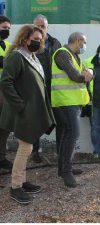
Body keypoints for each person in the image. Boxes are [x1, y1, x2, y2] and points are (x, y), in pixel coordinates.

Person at [0, 25, 56, 204]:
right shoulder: (17, 56)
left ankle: (22, 182)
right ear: (25, 39)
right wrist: (21, 106)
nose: (38, 42)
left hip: (30, 111)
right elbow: (6, 83)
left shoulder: (32, 57)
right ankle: (16, 187)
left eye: (40, 40)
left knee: (27, 147)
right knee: (25, 148)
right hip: (23, 112)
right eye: (35, 39)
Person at [51, 32, 93, 187]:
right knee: (73, 134)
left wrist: (89, 71)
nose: (84, 46)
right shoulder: (62, 54)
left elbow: (86, 73)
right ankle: (66, 172)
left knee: (66, 134)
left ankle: (63, 169)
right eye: (84, 42)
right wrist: (87, 74)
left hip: (73, 102)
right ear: (77, 40)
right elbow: (76, 76)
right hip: (64, 102)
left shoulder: (76, 57)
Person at [31, 14, 62, 163]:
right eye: (37, 26)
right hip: (36, 89)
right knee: (36, 121)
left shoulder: (55, 43)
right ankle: (35, 151)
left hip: (55, 89)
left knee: (58, 121)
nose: (40, 28)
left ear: (47, 27)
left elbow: (64, 63)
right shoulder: (29, 43)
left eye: (42, 26)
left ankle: (60, 153)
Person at [0, 16, 12, 171]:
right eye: (4, 28)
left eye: (8, 28)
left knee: (4, 125)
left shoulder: (9, 45)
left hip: (6, 90)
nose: (7, 31)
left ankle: (1, 157)